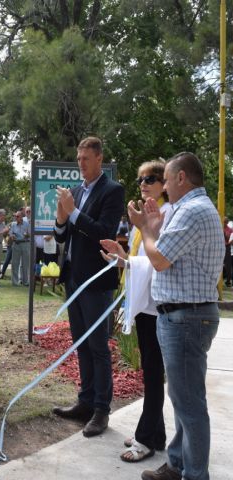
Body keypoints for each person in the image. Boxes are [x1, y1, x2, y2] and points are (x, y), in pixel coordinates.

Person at [130, 152, 223, 480]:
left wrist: (147, 228)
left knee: (190, 406)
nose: (164, 186)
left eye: (166, 179)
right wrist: (153, 228)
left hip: (186, 318)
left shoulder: (191, 212)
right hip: (186, 316)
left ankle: (194, 474)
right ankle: (177, 464)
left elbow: (160, 259)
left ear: (182, 177)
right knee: (184, 399)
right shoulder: (194, 209)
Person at [52, 136, 125, 437]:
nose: (80, 163)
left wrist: (74, 213)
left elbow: (104, 233)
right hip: (73, 278)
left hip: (96, 282)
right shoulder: (76, 192)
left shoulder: (113, 191)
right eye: (78, 158)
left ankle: (101, 410)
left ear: (99, 159)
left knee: (98, 347)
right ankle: (85, 401)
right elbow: (61, 236)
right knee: (81, 343)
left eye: (86, 158)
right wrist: (60, 218)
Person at [100, 160, 171, 463]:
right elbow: (140, 258)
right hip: (146, 305)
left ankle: (145, 440)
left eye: (151, 178)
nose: (144, 183)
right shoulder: (144, 219)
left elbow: (158, 261)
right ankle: (156, 433)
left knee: (154, 374)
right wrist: (122, 259)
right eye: (140, 179)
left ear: (165, 183)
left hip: (158, 307)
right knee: (151, 372)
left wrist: (128, 263)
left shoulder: (166, 215)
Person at [9, 210, 30, 286]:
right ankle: (15, 282)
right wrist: (12, 236)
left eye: (17, 216)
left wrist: (27, 235)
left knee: (25, 264)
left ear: (21, 217)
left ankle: (25, 281)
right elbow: (10, 234)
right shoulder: (13, 224)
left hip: (25, 244)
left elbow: (30, 234)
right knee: (15, 263)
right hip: (16, 244)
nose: (16, 217)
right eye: (15, 216)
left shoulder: (27, 224)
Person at [223, 217, 231, 287]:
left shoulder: (230, 230)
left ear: (227, 222)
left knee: (228, 265)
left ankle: (228, 281)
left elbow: (229, 240)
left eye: (225, 222)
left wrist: (224, 235)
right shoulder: (219, 227)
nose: (224, 223)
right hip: (219, 246)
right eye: (223, 222)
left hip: (227, 247)